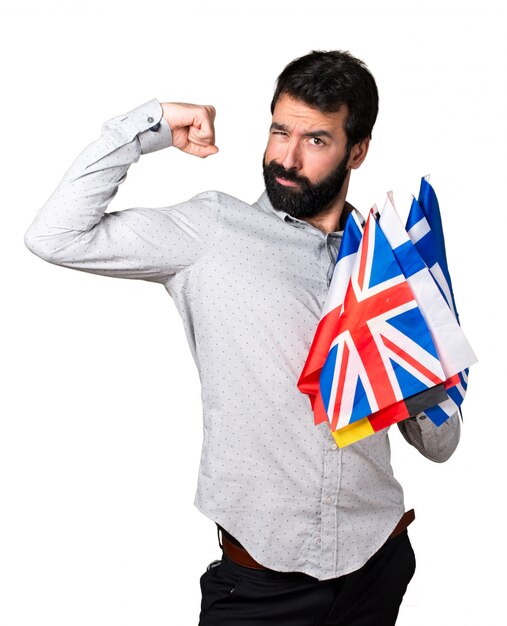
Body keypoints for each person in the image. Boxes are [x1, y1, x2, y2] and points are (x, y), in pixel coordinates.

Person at [24, 50, 460, 625]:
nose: (287, 157)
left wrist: (412, 368)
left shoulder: (386, 263)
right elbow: (55, 235)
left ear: (357, 150)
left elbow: (440, 445)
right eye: (280, 131)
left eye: (317, 141)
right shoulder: (210, 231)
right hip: (260, 584)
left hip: (377, 562)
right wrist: (150, 122)